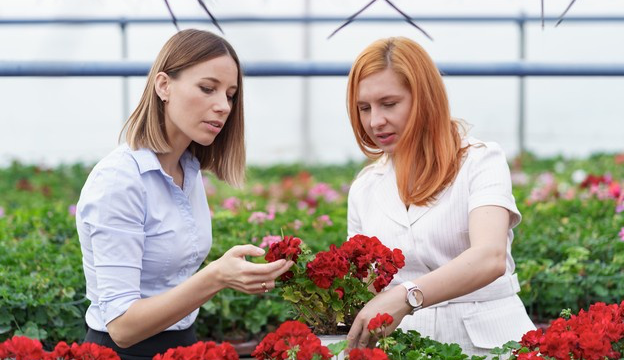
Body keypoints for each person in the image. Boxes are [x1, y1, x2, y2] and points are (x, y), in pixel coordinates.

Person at [76, 29, 293, 360]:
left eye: (231, 95)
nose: (223, 106)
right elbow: (122, 327)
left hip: (183, 346)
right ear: (163, 85)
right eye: (207, 89)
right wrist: (217, 276)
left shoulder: (187, 170)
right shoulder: (120, 180)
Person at [344, 37, 535, 356]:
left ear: (424, 98)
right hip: (406, 346)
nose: (375, 121)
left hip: (490, 342)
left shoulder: (480, 161)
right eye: (364, 108)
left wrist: (406, 296)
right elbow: (362, 285)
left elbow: (490, 257)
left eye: (389, 104)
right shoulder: (365, 187)